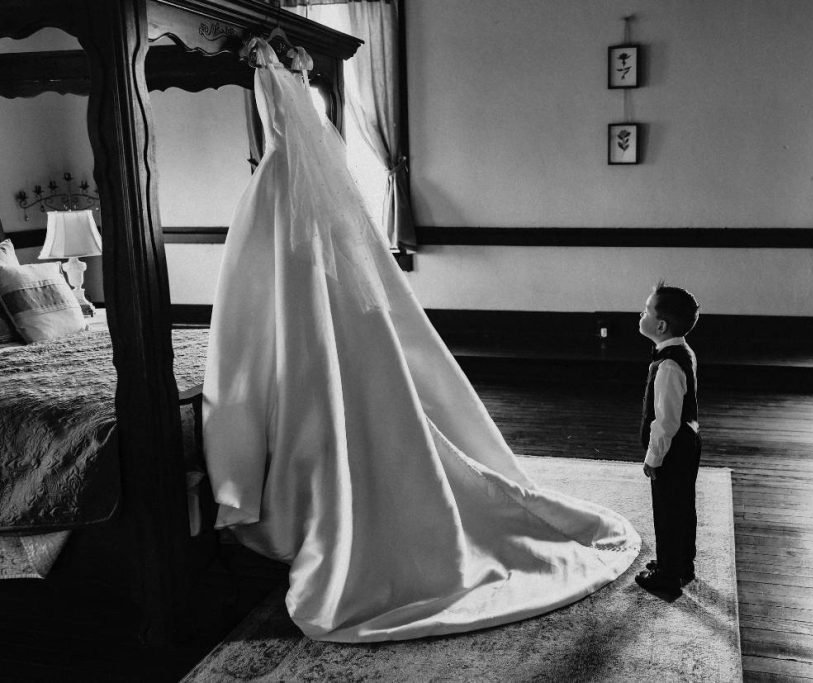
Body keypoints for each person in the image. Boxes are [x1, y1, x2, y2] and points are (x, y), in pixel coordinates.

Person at [202, 37, 639, 643]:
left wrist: (266, 70)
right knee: (291, 326)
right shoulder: (298, 87)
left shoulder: (275, 89)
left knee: (274, 327)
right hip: (296, 198)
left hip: (284, 198)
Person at [634, 282, 702, 599]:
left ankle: (668, 575)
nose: (641, 313)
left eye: (647, 310)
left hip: (673, 450)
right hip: (689, 442)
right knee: (682, 507)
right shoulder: (682, 351)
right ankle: (681, 564)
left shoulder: (669, 366)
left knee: (667, 511)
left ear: (660, 325)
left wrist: (653, 458)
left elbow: (665, 423)